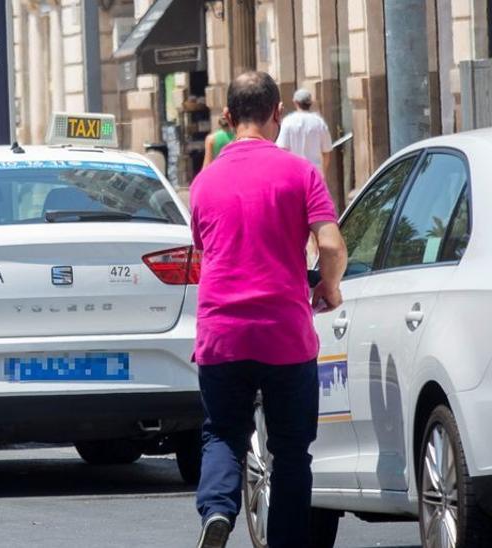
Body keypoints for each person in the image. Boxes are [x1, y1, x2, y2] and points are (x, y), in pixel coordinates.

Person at [188, 71, 348, 548]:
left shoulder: (204, 183)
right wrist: (329, 289)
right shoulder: (301, 173)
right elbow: (332, 246)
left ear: (227, 117)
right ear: (277, 113)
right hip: (285, 333)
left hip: (222, 334)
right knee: (292, 452)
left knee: (222, 434)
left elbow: (203, 250)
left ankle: (218, 512)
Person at [276, 88, 334, 176]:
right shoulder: (319, 122)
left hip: (294, 173)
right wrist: (323, 173)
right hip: (314, 174)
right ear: (310, 103)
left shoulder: (288, 122)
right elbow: (326, 152)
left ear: (295, 102)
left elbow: (282, 149)